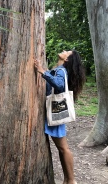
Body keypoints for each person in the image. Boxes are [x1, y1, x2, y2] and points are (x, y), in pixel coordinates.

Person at [34, 50, 86, 184]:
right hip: (55, 111)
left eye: (67, 52)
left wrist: (42, 71)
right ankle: (67, 180)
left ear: (67, 59)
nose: (64, 51)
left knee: (63, 148)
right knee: (62, 149)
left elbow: (60, 85)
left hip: (55, 112)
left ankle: (71, 180)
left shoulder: (61, 71)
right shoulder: (60, 69)